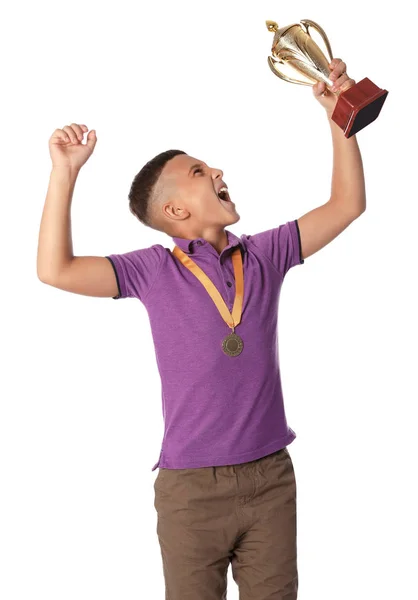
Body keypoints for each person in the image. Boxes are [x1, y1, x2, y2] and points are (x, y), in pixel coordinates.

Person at [37, 59, 365, 600]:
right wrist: (64, 172)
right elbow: (56, 269)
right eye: (197, 172)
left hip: (270, 479)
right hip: (190, 491)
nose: (215, 169)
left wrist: (341, 120)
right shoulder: (152, 269)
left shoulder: (264, 253)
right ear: (174, 210)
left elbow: (348, 204)